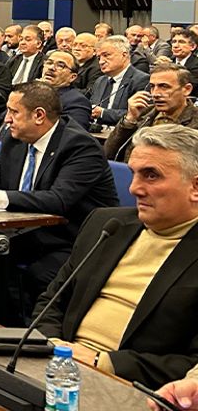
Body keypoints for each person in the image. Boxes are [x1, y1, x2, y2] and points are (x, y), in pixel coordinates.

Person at [31, 124, 198, 389]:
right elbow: (52, 301)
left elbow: (191, 364)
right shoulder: (106, 224)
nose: (133, 188)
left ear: (195, 186)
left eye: (151, 176)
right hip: (58, 367)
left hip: (130, 387)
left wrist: (104, 363)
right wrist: (53, 345)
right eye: (133, 174)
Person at [0, 81, 118, 306]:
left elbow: (58, 200)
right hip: (28, 232)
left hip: (72, 240)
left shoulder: (80, 146)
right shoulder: (15, 139)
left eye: (14, 112)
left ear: (39, 116)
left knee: (33, 273)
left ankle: (19, 324)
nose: (6, 119)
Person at [105, 62, 198, 161]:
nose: (155, 94)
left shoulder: (195, 120)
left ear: (186, 89)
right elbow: (108, 153)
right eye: (152, 87)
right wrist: (129, 120)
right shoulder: (144, 113)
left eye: (164, 86)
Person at [90, 35, 150, 126]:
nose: (101, 62)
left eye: (106, 55)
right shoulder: (100, 81)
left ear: (124, 55)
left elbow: (140, 114)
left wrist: (103, 113)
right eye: (99, 58)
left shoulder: (141, 80)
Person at [42, 50, 93, 129]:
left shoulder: (77, 101)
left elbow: (75, 133)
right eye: (49, 63)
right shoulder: (31, 93)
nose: (51, 68)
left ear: (72, 77)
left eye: (60, 65)